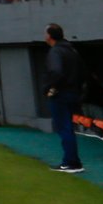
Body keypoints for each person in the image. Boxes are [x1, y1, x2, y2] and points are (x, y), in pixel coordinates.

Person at [43, 23, 85, 173]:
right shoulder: (72, 50)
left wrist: (50, 88)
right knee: (68, 127)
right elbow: (81, 71)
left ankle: (70, 162)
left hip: (61, 93)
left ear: (49, 36)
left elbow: (56, 72)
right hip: (73, 92)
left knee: (64, 127)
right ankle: (73, 161)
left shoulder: (56, 52)